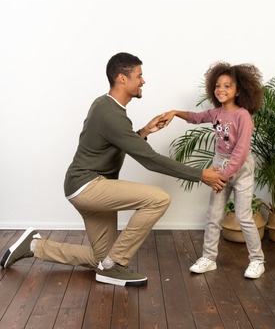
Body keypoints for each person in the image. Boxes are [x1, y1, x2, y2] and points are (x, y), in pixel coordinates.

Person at [1, 53, 227, 287]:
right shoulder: (111, 114)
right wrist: (200, 175)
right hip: (88, 186)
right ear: (121, 78)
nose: (143, 81)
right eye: (139, 76)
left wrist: (143, 133)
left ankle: (34, 246)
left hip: (83, 185)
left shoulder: (105, 104)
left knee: (101, 258)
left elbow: (115, 142)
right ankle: (113, 266)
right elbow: (150, 159)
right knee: (159, 199)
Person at [162, 62, 265, 279]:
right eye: (218, 85)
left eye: (227, 86)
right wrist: (174, 112)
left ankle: (257, 260)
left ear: (239, 90)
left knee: (244, 216)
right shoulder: (216, 113)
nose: (221, 90)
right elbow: (196, 118)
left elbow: (241, 151)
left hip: (241, 168)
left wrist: (222, 176)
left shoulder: (243, 116)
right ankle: (208, 258)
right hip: (220, 163)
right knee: (213, 215)